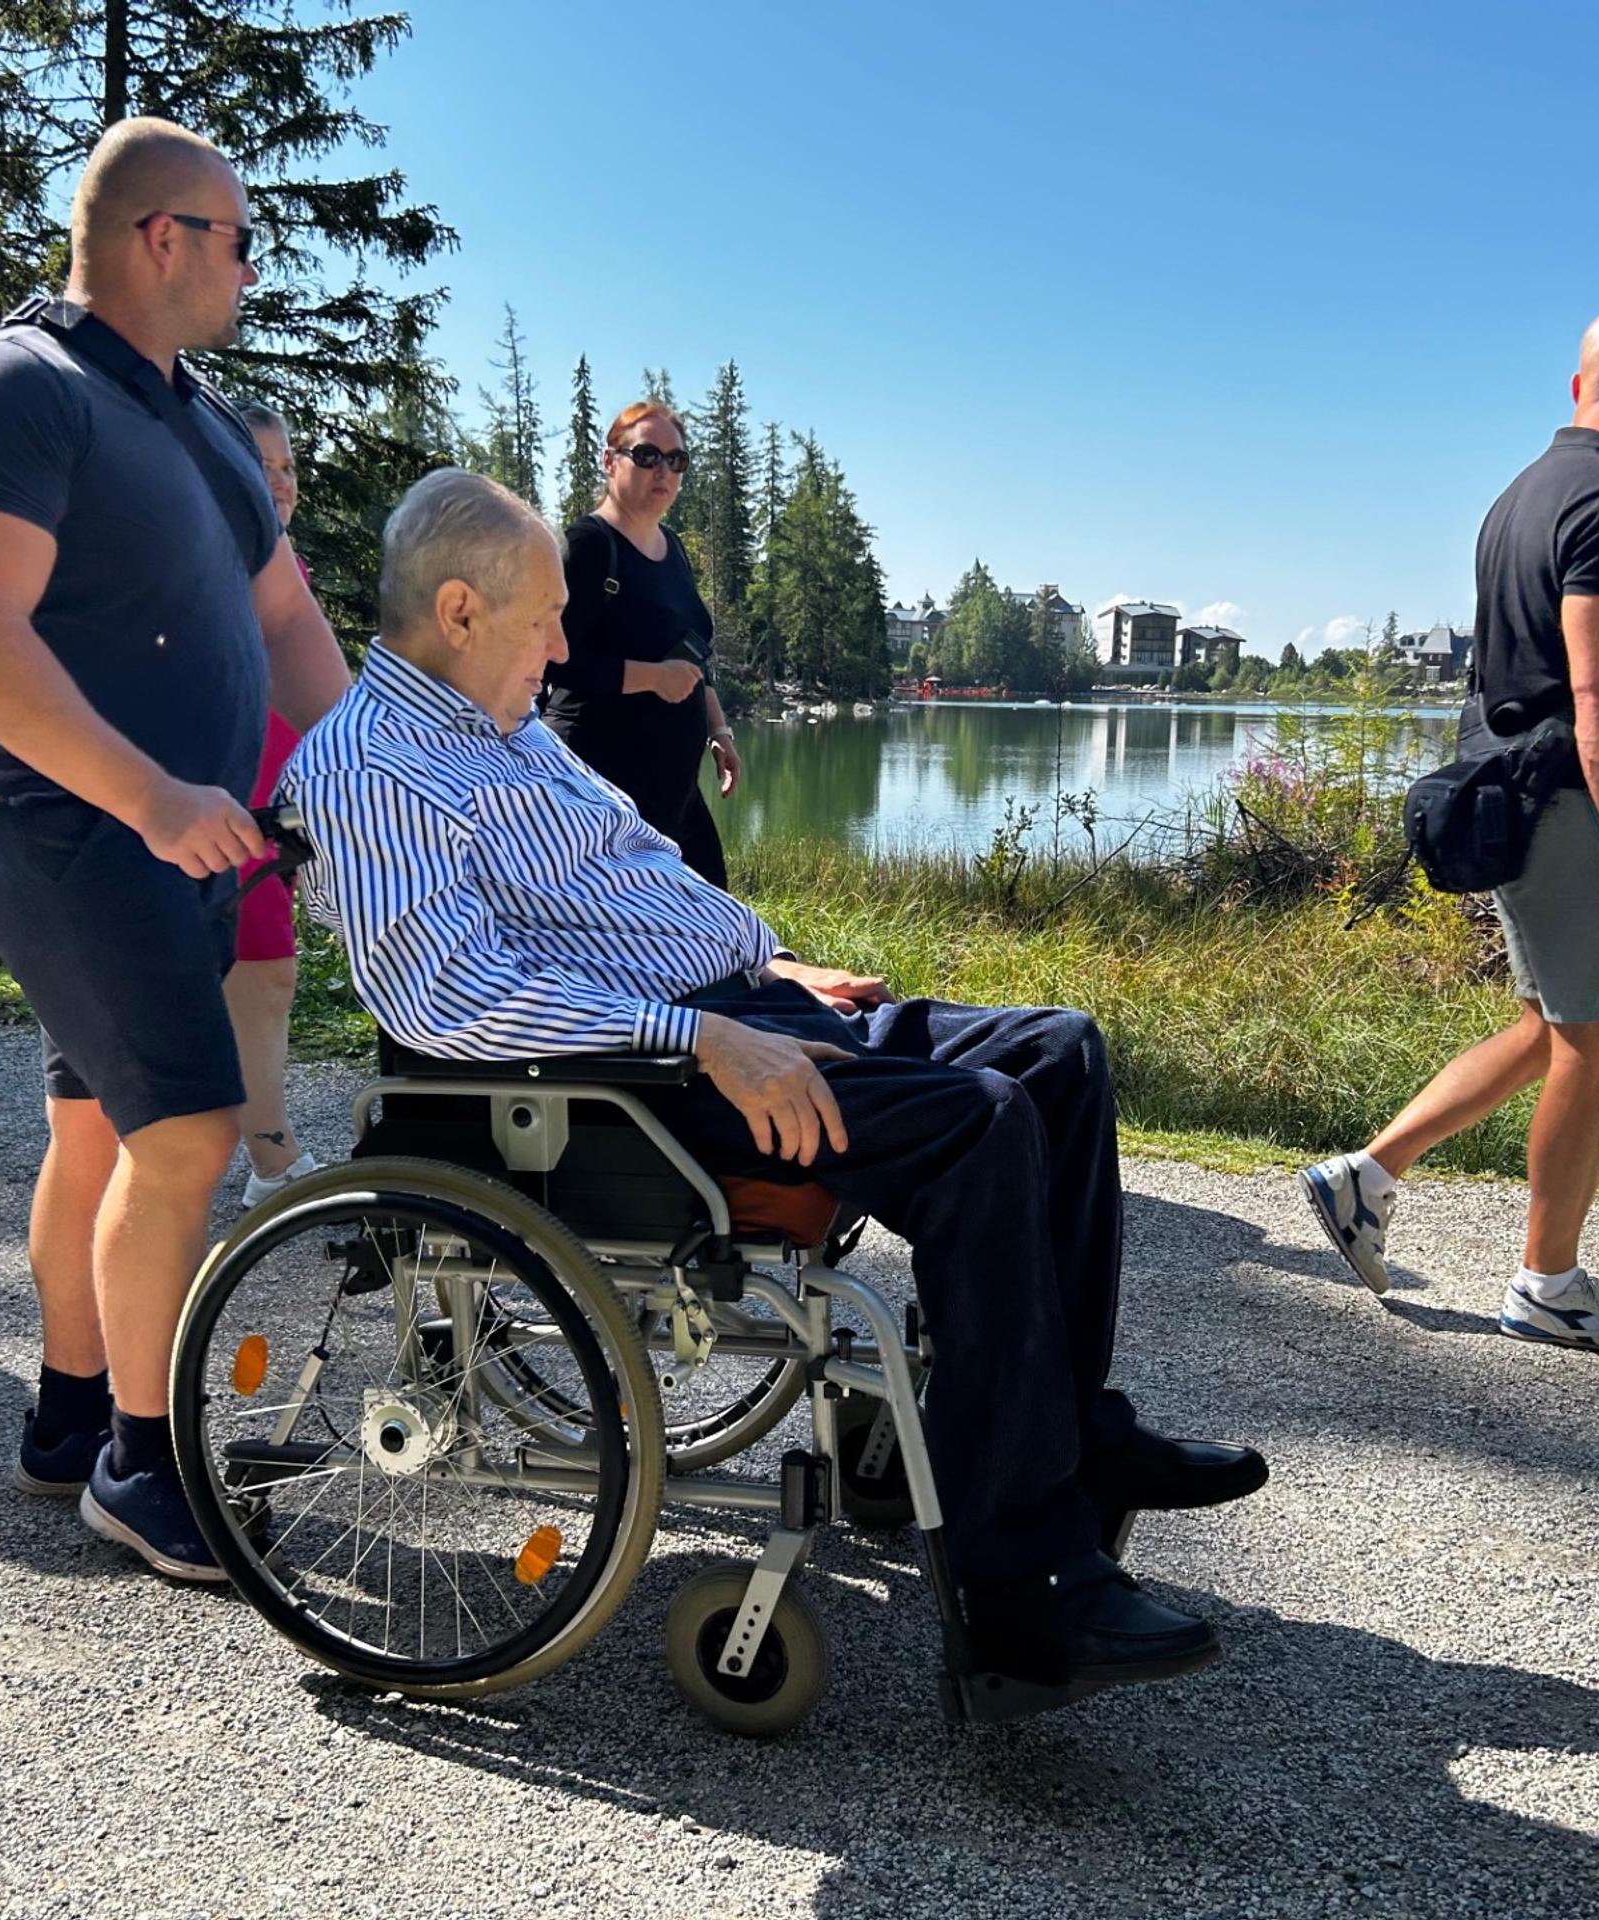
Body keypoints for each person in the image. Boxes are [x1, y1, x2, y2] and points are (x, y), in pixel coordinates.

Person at [281, 467, 1268, 1706]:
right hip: (621, 1079)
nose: (566, 641)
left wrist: (765, 957)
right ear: (464, 610)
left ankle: (1068, 1437)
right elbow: (450, 1003)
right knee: (981, 1127)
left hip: (730, 1010)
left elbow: (643, 870)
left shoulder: (504, 729)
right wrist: (696, 1036)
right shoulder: (371, 769)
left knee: (1057, 1052)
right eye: (546, 617)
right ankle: (1020, 1584)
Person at [0, 117, 351, 1580]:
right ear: (163, 237)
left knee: (96, 1128)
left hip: (182, 845)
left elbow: (284, 620)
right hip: (68, 831)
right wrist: (153, 795)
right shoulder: (6, 395)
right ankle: (148, 1473)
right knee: (189, 1136)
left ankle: (73, 1413)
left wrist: (392, 776)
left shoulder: (201, 424)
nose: (253, 267)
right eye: (239, 238)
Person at [1303, 302, 1599, 1356]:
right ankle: (1548, 1282)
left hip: (1511, 797)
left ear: (1576, 388)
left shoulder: (1520, 496)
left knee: (1546, 1028)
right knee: (1596, 1039)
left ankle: (1364, 1176)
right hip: (1565, 804)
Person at [541, 400, 740, 888]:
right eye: (647, 455)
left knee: (714, 918)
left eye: (677, 460)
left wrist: (719, 732)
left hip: (674, 789)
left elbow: (694, 650)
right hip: (600, 787)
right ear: (611, 462)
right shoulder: (586, 547)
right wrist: (651, 678)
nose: (663, 471)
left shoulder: (673, 549)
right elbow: (552, 660)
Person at [224, 399, 323, 1209]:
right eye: (263, 466)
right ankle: (270, 1163)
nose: (281, 482)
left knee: (266, 976)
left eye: (289, 466)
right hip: (236, 802)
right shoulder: (217, 560)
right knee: (265, 975)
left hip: (283, 801)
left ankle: (263, 1152)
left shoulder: (282, 561)